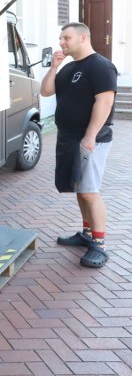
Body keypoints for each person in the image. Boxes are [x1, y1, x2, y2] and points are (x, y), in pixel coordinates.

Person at [40, 22, 117, 268]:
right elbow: (46, 91)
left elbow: (104, 103)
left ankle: (100, 245)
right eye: (61, 37)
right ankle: (86, 233)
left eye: (66, 37)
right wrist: (54, 67)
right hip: (68, 136)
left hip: (90, 137)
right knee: (79, 188)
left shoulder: (101, 66)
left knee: (89, 191)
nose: (61, 42)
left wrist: (91, 135)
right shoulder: (69, 67)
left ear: (83, 37)